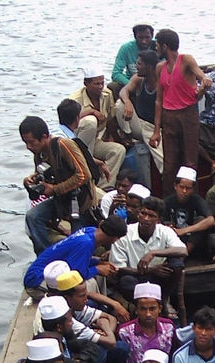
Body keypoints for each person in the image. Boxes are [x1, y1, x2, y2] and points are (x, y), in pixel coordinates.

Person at [20, 116, 100, 255]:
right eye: (26, 143)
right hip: (60, 201)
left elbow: (83, 174)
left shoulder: (63, 145)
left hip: (79, 203)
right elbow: (41, 177)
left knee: (77, 243)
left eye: (31, 143)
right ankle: (45, 256)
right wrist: (30, 181)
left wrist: (55, 189)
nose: (29, 147)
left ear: (44, 137)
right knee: (33, 217)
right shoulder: (39, 154)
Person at [149, 29, 212, 196]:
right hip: (169, 117)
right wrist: (156, 131)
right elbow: (159, 100)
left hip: (188, 115)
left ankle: (191, 201)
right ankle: (168, 203)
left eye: (157, 45)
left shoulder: (186, 60)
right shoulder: (160, 67)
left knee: (189, 163)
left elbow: (201, 75)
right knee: (169, 165)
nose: (156, 48)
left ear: (164, 46)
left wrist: (204, 83)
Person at [109, 196, 187, 316]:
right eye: (143, 213)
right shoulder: (125, 233)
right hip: (135, 278)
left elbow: (183, 251)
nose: (145, 219)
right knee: (125, 281)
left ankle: (162, 301)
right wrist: (150, 270)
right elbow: (118, 268)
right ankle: (143, 307)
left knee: (177, 263)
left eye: (151, 216)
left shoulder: (165, 231)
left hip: (159, 281)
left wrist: (153, 253)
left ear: (159, 219)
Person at [24, 215, 127, 301]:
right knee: (89, 284)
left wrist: (98, 261)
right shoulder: (86, 243)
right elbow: (77, 274)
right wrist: (97, 269)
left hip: (56, 270)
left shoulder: (90, 231)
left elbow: (75, 259)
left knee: (99, 273)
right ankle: (91, 309)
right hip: (37, 282)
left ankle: (103, 301)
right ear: (114, 238)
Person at [68, 67, 125, 189]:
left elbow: (110, 119)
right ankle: (86, 168)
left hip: (94, 140)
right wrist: (92, 111)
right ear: (86, 83)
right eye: (96, 84)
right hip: (77, 142)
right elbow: (68, 124)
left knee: (118, 150)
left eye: (102, 83)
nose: (100, 86)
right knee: (90, 121)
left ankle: (103, 187)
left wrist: (116, 138)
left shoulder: (107, 94)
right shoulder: (74, 100)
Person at [116, 49, 165, 174]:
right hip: (139, 125)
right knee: (120, 104)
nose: (136, 67)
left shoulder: (162, 83)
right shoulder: (138, 79)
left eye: (139, 64)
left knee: (162, 159)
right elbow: (124, 91)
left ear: (149, 67)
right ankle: (128, 135)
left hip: (155, 128)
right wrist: (127, 102)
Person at [55, 270, 125, 356]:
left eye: (85, 295)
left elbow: (111, 318)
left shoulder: (75, 308)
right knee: (108, 349)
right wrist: (106, 329)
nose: (86, 299)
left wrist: (105, 333)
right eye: (81, 296)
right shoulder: (69, 322)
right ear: (67, 298)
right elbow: (111, 342)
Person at [117, 283, 176, 363]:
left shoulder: (168, 327)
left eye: (152, 309)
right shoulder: (125, 331)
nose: (148, 314)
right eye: (143, 309)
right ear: (136, 310)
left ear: (160, 309)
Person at [162, 166, 215, 255]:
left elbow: (211, 220)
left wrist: (185, 230)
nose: (184, 191)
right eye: (181, 187)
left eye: (188, 188)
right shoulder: (167, 201)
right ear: (175, 186)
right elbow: (164, 222)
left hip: (193, 239)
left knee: (202, 220)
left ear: (193, 189)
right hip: (174, 239)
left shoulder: (197, 200)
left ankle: (185, 253)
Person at [111, 24, 156, 92]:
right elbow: (116, 73)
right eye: (140, 37)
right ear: (135, 37)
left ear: (152, 36)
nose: (144, 41)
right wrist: (131, 84)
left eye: (147, 37)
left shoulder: (158, 47)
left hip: (153, 85)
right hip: (131, 83)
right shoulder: (126, 48)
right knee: (112, 86)